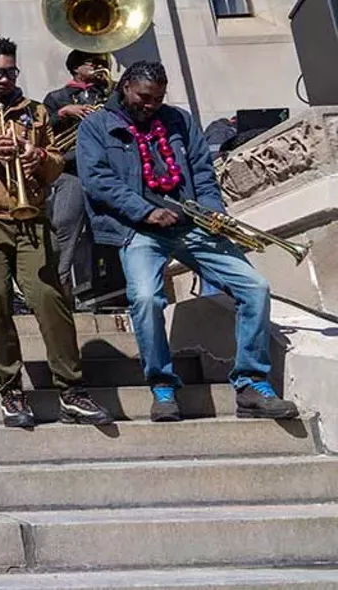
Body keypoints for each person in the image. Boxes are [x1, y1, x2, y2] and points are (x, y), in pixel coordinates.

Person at [77, 61, 300, 423]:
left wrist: (212, 211)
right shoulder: (95, 125)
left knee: (255, 287)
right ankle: (162, 386)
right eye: (144, 97)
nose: (152, 105)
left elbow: (202, 171)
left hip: (189, 224)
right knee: (147, 298)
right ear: (126, 87)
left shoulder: (178, 120)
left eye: (159, 98)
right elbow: (97, 181)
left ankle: (250, 385)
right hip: (139, 229)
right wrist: (145, 212)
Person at [0, 38, 113, 428]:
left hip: (30, 214)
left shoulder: (33, 112)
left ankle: (71, 390)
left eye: (10, 72)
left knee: (50, 296)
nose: (3, 78)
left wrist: (40, 159)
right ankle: (10, 388)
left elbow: (55, 166)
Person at [43, 50, 113, 306]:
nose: (97, 66)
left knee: (106, 230)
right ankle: (60, 290)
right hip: (70, 170)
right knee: (64, 226)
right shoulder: (56, 97)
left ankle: (107, 288)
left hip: (104, 169)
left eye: (100, 62)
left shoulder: (108, 94)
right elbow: (42, 132)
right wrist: (64, 112)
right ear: (75, 68)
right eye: (91, 62)